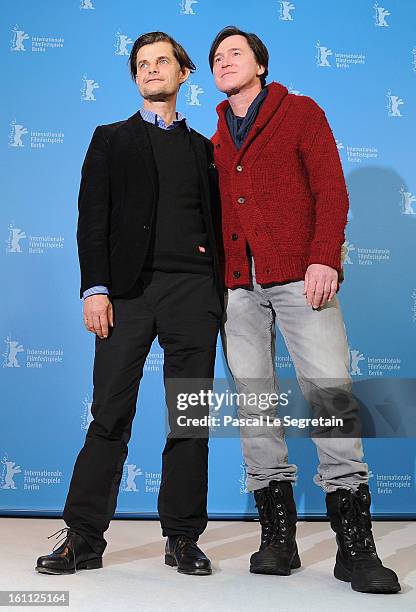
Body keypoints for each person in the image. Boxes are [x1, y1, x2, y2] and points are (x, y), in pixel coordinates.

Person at [209, 25, 400, 594]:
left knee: (329, 396)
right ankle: (278, 538)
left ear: (261, 65)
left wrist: (324, 257)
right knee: (255, 404)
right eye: (217, 57)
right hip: (237, 288)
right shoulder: (215, 136)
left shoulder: (301, 112)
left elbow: (331, 189)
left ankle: (355, 550)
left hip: (302, 278)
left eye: (235, 53)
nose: (224, 61)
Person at [35, 31, 224, 576]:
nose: (151, 69)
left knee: (189, 418)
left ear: (184, 73)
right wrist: (95, 288)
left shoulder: (205, 150)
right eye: (142, 64)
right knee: (110, 414)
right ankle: (84, 539)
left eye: (162, 61)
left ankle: (183, 538)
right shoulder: (109, 139)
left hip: (193, 295)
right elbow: (91, 221)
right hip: (127, 294)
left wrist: (218, 294)